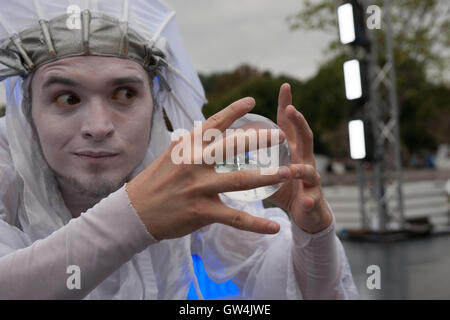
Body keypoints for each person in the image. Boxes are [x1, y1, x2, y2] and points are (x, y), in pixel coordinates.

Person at [0, 0, 359, 299]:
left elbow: (291, 287)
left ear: (156, 107)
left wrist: (312, 234)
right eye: (67, 98)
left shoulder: (181, 164)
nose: (98, 126)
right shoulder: (5, 172)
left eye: (124, 94)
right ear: (26, 112)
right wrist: (140, 215)